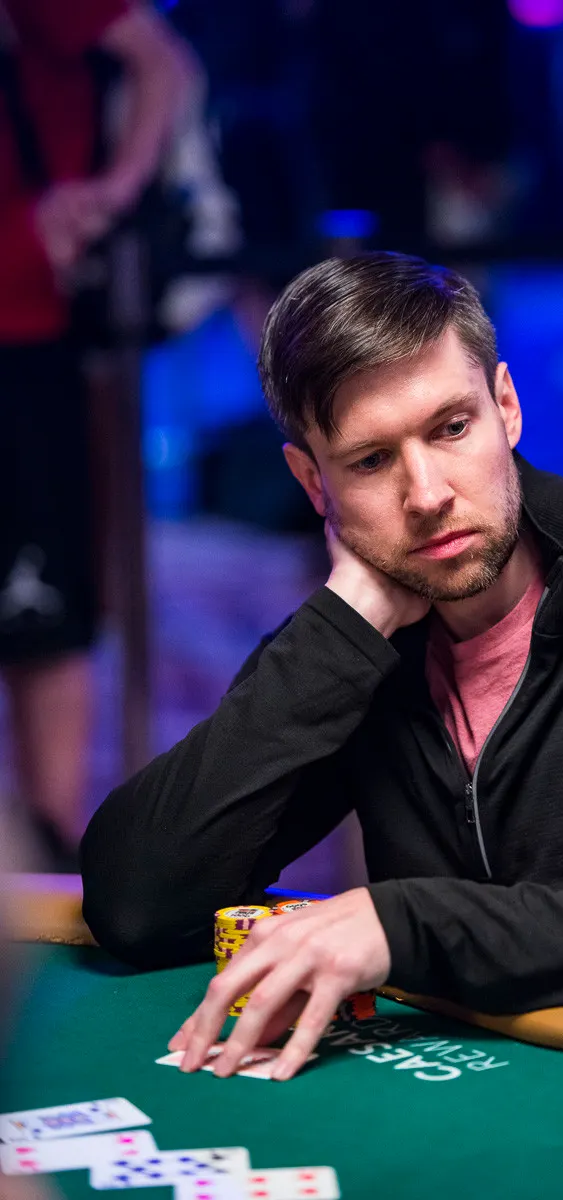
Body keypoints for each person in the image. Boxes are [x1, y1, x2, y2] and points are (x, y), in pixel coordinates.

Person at [81, 252, 563, 1083]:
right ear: (311, 481)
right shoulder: (357, 646)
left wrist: (411, 926)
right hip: (453, 1101)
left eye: (451, 428)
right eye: (370, 461)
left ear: (506, 406)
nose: (426, 495)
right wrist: (340, 628)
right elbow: (135, 903)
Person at [0, 0, 195, 869]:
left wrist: (111, 192)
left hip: (26, 335)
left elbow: (162, 61)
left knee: (42, 616)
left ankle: (48, 870)